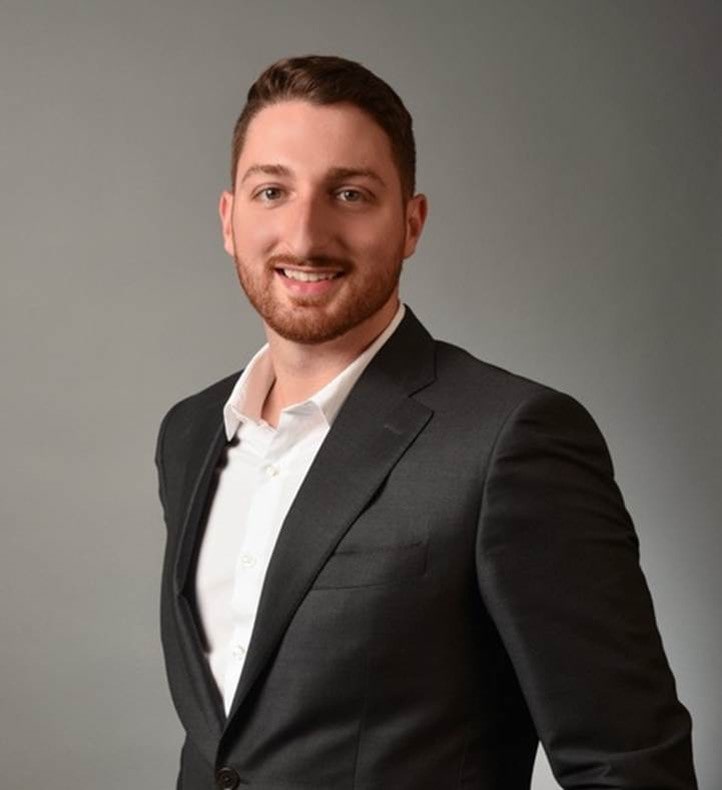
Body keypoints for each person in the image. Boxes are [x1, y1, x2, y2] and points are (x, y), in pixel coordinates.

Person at [154, 55, 697, 790]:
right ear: (229, 218)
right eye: (272, 191)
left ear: (410, 224)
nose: (305, 235)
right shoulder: (191, 434)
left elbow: (630, 767)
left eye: (350, 194)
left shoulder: (510, 440)